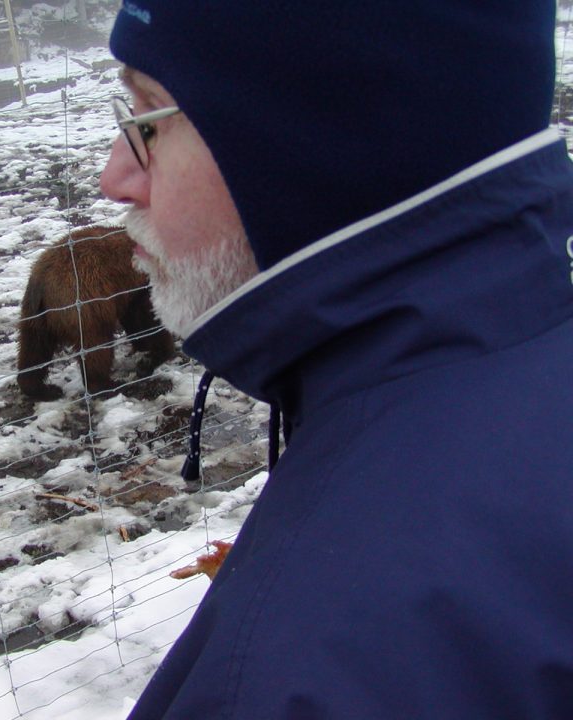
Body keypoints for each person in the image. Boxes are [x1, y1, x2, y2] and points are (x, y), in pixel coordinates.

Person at [99, 2, 573, 719]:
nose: (114, 177)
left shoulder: (301, 673)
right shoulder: (535, 365)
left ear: (307, 141)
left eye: (149, 124)